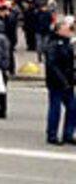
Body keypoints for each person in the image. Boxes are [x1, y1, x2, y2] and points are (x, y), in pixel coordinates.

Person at [43, 15, 75, 145]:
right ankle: (52, 135)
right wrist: (63, 80)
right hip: (57, 82)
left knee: (73, 108)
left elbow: (69, 63)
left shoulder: (66, 43)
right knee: (55, 109)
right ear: (59, 30)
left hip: (68, 81)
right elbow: (52, 64)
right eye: (67, 28)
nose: (70, 30)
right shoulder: (53, 43)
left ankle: (68, 133)